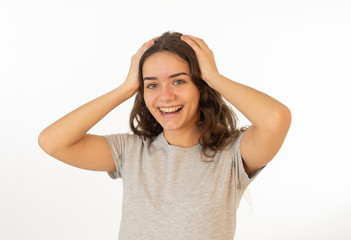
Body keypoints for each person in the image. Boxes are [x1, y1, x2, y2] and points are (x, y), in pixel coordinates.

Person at [38, 31, 291, 239]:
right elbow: (52, 141)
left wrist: (213, 76)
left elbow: (276, 119)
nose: (165, 96)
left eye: (179, 81)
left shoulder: (232, 155)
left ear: (201, 87)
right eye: (152, 85)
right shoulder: (131, 151)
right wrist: (125, 88)